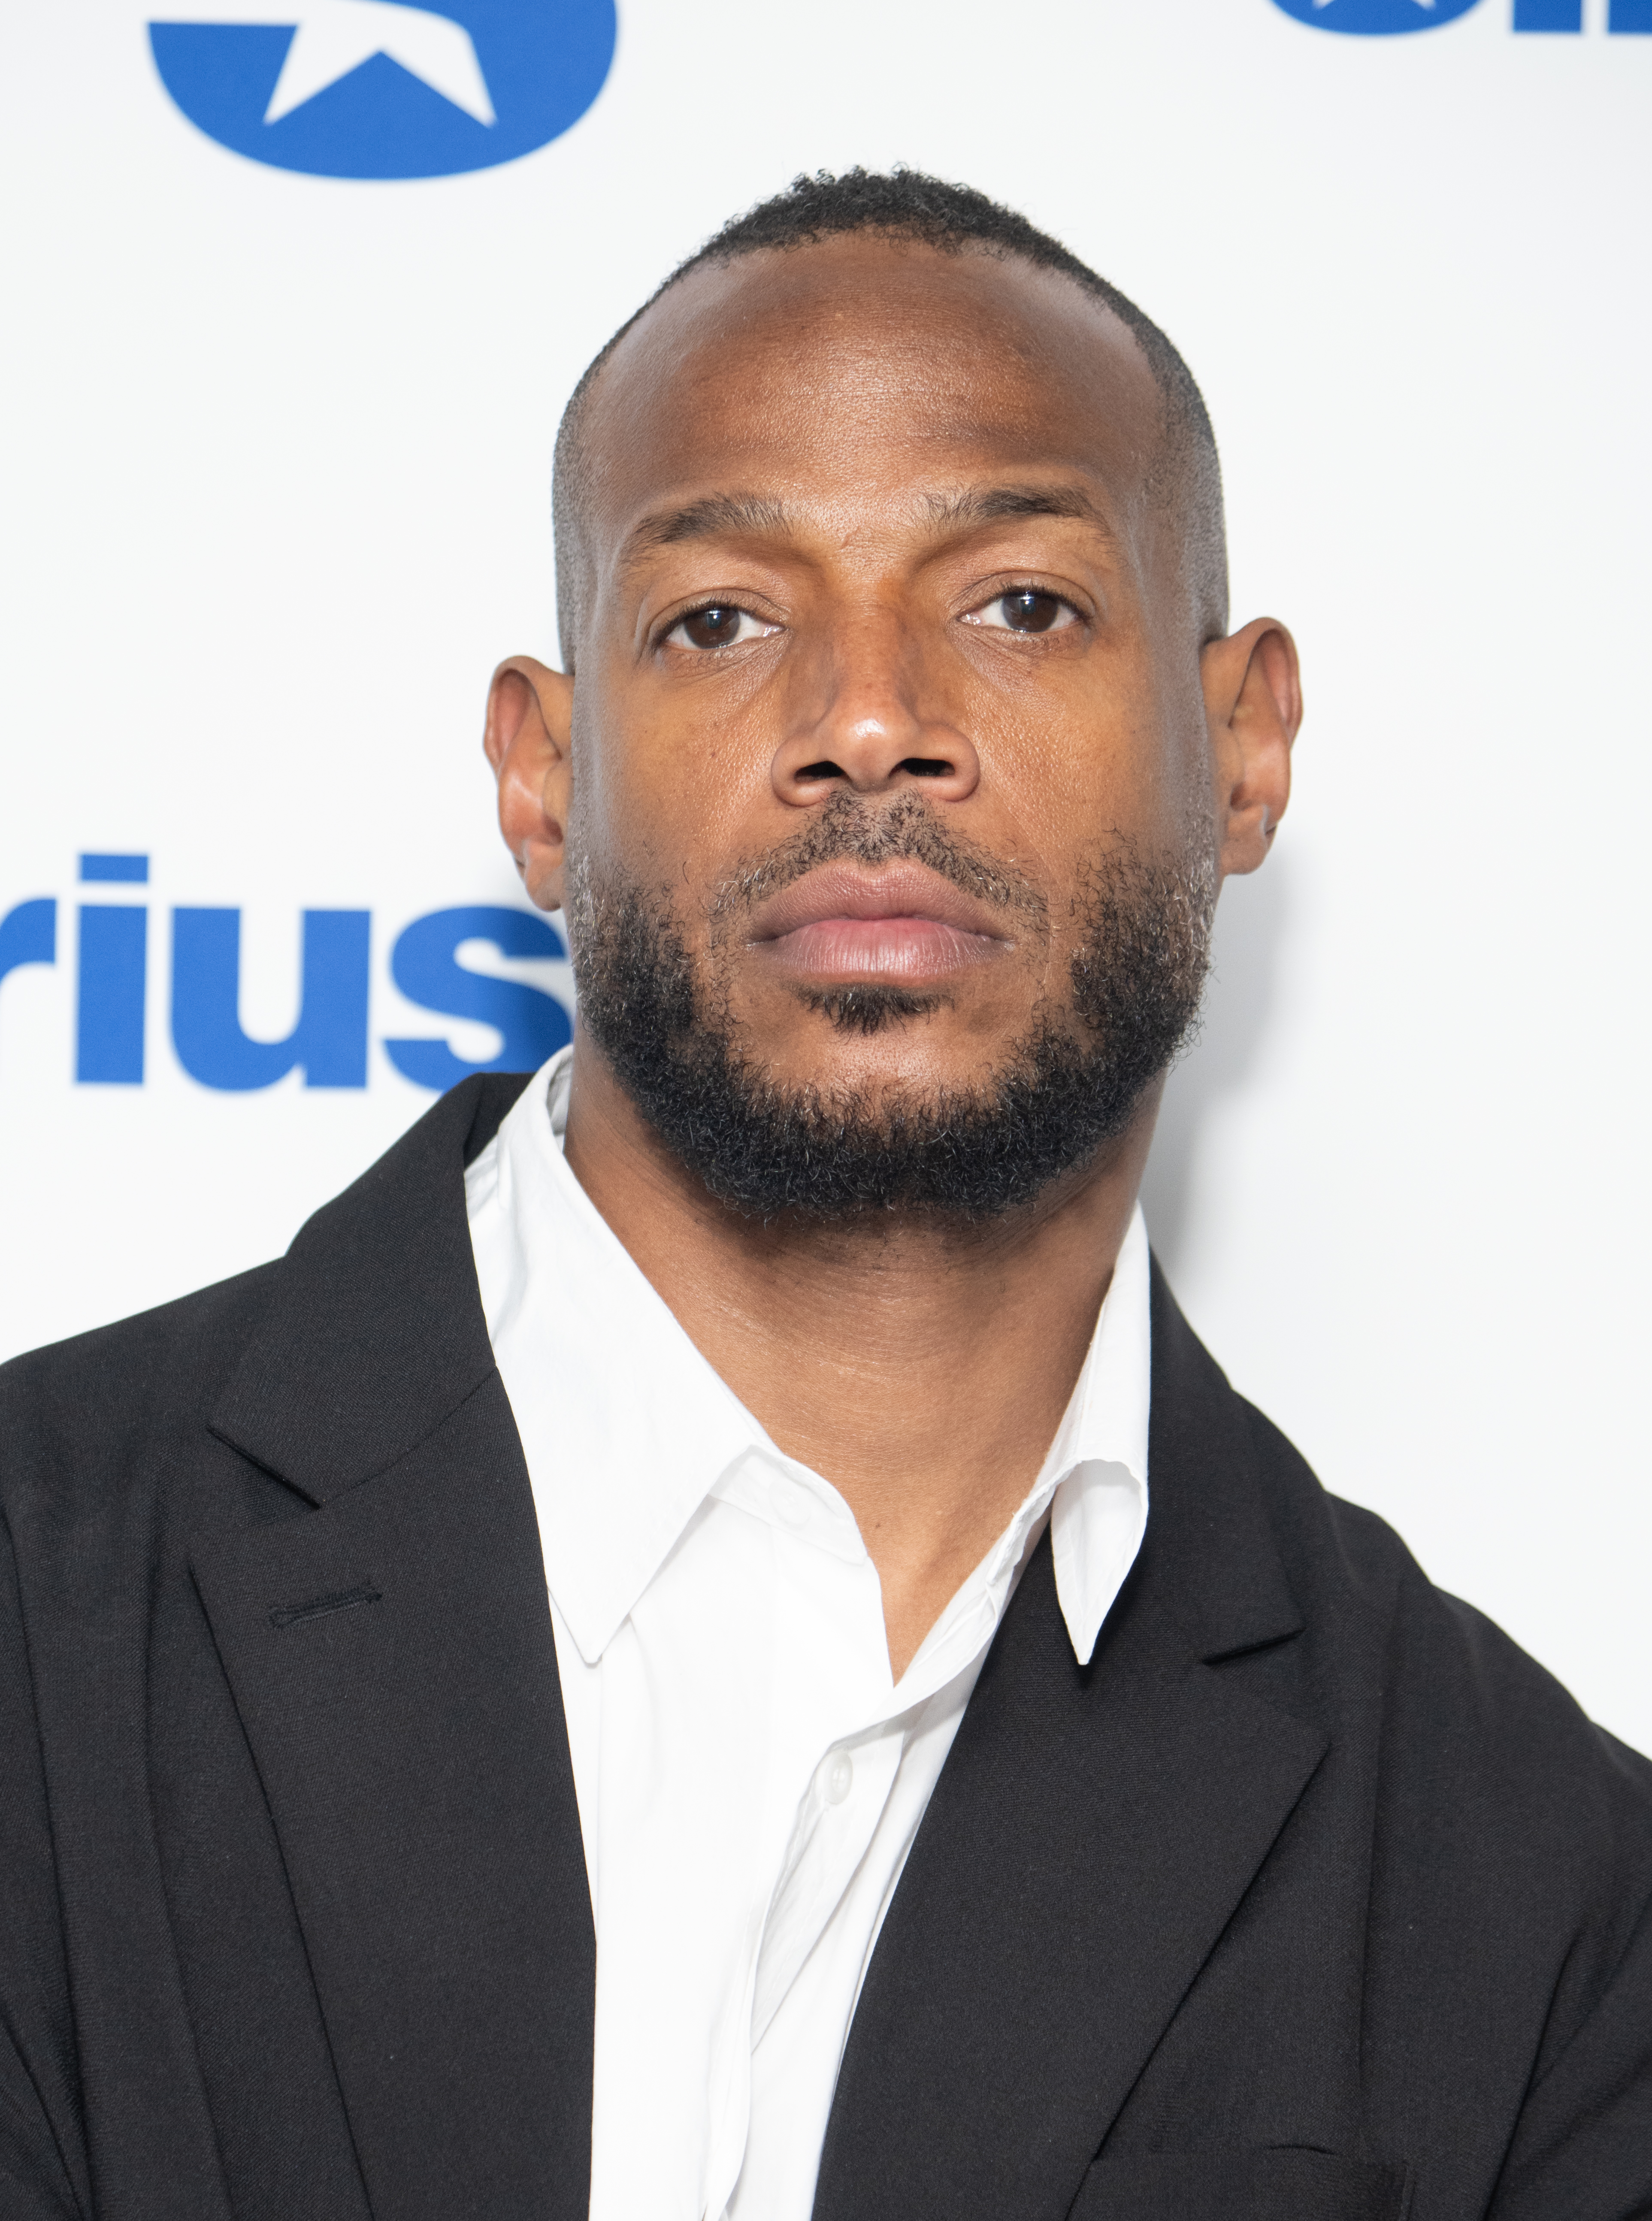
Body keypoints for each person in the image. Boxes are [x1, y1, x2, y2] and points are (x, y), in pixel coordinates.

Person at [1, 169, 1647, 2221]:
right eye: (722, 617)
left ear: (1242, 747)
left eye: (1020, 603)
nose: (869, 721)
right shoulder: (36, 1596)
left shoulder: (1547, 1904)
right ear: (542, 777)